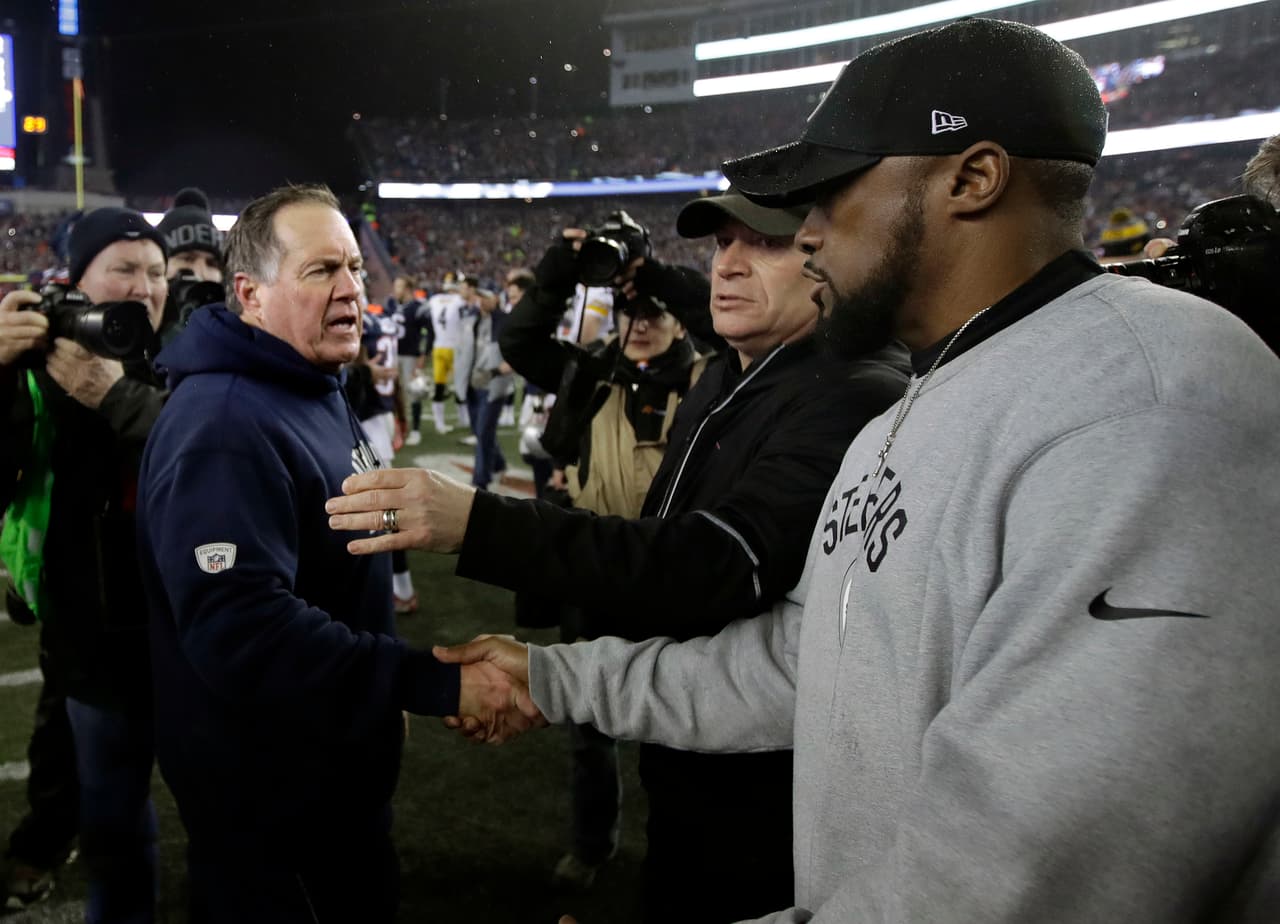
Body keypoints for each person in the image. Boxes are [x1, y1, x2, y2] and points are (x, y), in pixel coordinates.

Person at [437, 18, 1276, 922]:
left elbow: (1036, 883)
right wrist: (557, 677)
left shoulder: (1153, 396)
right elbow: (805, 664)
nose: (807, 235)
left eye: (832, 192)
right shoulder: (923, 395)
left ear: (973, 177)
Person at [327, 191, 910, 921]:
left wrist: (479, 524)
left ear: (830, 255)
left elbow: (715, 567)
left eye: (762, 244)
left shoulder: (855, 393)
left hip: (765, 774)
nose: (727, 265)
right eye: (721, 245)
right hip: (691, 730)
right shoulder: (742, 372)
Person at [134, 184, 532, 923]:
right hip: (275, 810)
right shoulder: (225, 422)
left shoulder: (305, 382)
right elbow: (242, 632)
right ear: (250, 293)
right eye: (322, 271)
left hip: (328, 778)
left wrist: (371, 699)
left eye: (353, 266)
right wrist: (425, 683)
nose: (352, 287)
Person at [1, 207, 171, 921]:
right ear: (77, 283)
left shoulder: (194, 352)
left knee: (239, 826)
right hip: (94, 641)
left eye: (155, 271)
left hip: (196, 631)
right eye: (124, 269)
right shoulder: (41, 367)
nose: (145, 287)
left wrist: (118, 395)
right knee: (112, 831)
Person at [388, 275, 428, 445]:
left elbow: (428, 333)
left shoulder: (418, 308)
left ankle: (416, 430)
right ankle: (400, 427)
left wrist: (422, 356)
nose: (395, 290)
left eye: (398, 286)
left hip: (410, 355)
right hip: (393, 355)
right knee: (394, 393)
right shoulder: (393, 306)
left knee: (413, 392)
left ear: (407, 289)